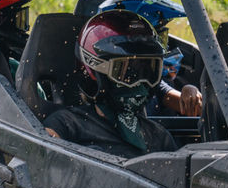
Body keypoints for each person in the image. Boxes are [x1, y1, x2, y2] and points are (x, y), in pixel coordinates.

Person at [44, 9, 177, 157]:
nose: (139, 82)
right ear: (94, 69)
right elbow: (43, 162)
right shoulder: (66, 125)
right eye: (127, 72)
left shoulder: (158, 137)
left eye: (146, 71)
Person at [97, 0, 202, 117]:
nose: (157, 49)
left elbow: (172, 97)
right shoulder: (100, 82)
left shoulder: (149, 78)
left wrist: (189, 92)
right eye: (150, 42)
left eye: (159, 39)